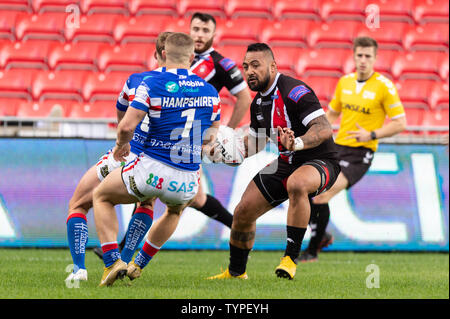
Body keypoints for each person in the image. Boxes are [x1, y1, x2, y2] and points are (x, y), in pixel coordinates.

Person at [93, 32, 221, 287]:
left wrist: (121, 145)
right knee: (174, 211)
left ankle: (112, 261)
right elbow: (211, 139)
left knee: (101, 196)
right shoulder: (210, 91)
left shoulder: (151, 82)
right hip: (187, 177)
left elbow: (126, 126)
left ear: (163, 55)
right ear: (192, 57)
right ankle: (138, 263)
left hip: (152, 168)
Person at [207, 43, 340, 280]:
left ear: (273, 66)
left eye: (256, 66)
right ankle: (236, 273)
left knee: (297, 184)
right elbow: (255, 144)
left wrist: (297, 143)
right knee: (243, 211)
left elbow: (324, 128)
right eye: (246, 66)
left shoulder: (294, 90)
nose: (249, 71)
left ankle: (289, 259)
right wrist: (225, 153)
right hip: (287, 161)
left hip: (320, 159)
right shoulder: (258, 104)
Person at [65, 32, 172, 283]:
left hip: (126, 153)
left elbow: (122, 113)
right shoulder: (189, 89)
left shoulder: (137, 80)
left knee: (79, 204)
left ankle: (81, 269)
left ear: (157, 55)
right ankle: (123, 258)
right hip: (157, 162)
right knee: (145, 205)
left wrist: (121, 144)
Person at [299, 36, 407, 262]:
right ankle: (323, 235)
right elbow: (332, 114)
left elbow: (400, 123)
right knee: (304, 189)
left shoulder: (384, 86)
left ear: (375, 58)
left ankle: (312, 251)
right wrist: (314, 133)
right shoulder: (345, 82)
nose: (363, 60)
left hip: (361, 153)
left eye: (368, 56)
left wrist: (372, 134)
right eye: (360, 55)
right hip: (337, 147)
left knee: (321, 195)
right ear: (354, 56)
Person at [186, 12, 252, 228]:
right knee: (194, 198)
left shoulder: (222, 64)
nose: (199, 35)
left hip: (193, 139)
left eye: (205, 30)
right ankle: (238, 229)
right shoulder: (178, 58)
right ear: (189, 30)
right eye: (196, 29)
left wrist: (226, 133)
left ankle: (121, 250)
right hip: (170, 134)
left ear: (214, 33)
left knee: (164, 193)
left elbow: (244, 98)